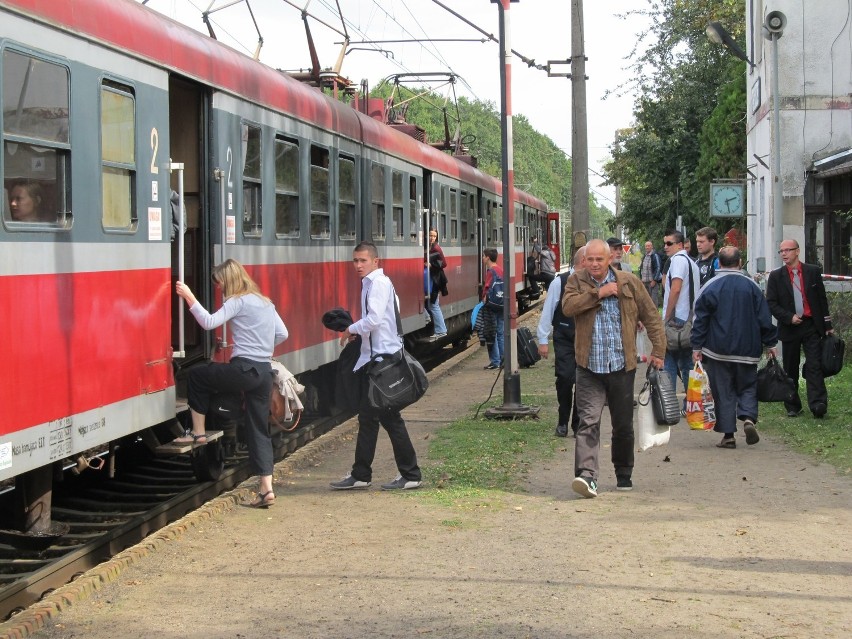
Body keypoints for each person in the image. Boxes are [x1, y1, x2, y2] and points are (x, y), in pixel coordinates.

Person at [175, 259, 288, 508]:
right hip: (263, 372)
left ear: (229, 279)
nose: (219, 288)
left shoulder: (237, 300)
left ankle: (199, 433)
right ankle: (266, 489)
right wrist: (262, 349)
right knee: (259, 429)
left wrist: (189, 296)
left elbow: (208, 322)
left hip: (243, 369)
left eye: (220, 282)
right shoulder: (265, 302)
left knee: (197, 375)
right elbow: (283, 334)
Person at [561, 239, 666, 498]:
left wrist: (659, 351)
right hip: (589, 367)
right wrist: (599, 293)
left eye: (600, 259)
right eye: (590, 259)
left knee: (623, 425)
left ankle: (623, 472)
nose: (595, 264)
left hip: (622, 365)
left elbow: (651, 315)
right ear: (584, 261)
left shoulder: (629, 282)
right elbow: (568, 308)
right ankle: (587, 476)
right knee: (588, 422)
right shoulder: (576, 281)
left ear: (610, 259)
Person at [331, 241, 423, 490]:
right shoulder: (371, 283)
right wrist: (358, 335)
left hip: (383, 363)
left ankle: (410, 475)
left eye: (362, 261)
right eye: (355, 261)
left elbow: (374, 319)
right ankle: (362, 474)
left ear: (375, 261)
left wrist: (350, 328)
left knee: (390, 420)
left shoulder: (378, 284)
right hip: (375, 360)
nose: (358, 265)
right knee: (368, 418)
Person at [691, 247, 778, 448]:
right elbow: (764, 317)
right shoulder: (752, 286)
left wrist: (697, 346)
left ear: (719, 264)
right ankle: (748, 417)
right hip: (748, 349)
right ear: (740, 263)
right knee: (748, 385)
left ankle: (728, 435)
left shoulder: (710, 286)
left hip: (717, 350)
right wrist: (770, 342)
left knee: (723, 391)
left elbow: (700, 319)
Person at [766, 239, 834, 418]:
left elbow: (821, 299)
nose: (784, 254)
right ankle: (792, 404)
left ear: (797, 251)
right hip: (790, 327)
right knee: (790, 367)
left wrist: (827, 325)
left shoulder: (812, 272)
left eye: (788, 250)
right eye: (781, 251)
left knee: (814, 365)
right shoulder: (776, 276)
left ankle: (818, 403)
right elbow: (771, 303)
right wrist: (788, 317)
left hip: (811, 325)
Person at [537, 246, 586, 437]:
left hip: (586, 340)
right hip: (564, 337)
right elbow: (548, 311)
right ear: (583, 261)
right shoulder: (560, 282)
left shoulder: (594, 282)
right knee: (565, 378)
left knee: (583, 382)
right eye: (590, 260)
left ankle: (578, 423)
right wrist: (542, 339)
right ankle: (562, 419)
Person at [662, 229, 700, 408]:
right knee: (687, 364)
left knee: (668, 361)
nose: (665, 247)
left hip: (677, 320)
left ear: (679, 245)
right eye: (664, 243)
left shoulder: (677, 260)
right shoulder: (692, 262)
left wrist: (667, 316)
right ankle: (691, 403)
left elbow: (676, 289)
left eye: (669, 243)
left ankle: (668, 402)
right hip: (690, 321)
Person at [482, 248, 504, 370]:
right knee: (500, 333)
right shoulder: (501, 270)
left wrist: (483, 299)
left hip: (492, 306)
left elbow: (487, 288)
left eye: (484, 256)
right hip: (501, 304)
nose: (483, 259)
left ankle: (495, 361)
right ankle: (503, 359)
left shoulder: (491, 271)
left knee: (492, 333)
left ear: (488, 258)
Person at [426, 228, 448, 339]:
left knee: (433, 305)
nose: (432, 238)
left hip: (436, 280)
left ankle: (441, 330)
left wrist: (432, 265)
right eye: (430, 235)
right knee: (431, 304)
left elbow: (444, 263)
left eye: (434, 236)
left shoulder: (436, 248)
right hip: (433, 279)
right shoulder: (430, 247)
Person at [638, 241, 663, 306]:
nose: (647, 247)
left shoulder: (655, 256)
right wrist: (641, 279)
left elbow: (658, 268)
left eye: (649, 246)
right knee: (646, 302)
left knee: (653, 301)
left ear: (652, 246)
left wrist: (654, 280)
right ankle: (648, 316)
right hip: (645, 282)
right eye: (646, 246)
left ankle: (655, 316)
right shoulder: (644, 256)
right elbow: (642, 269)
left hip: (652, 283)